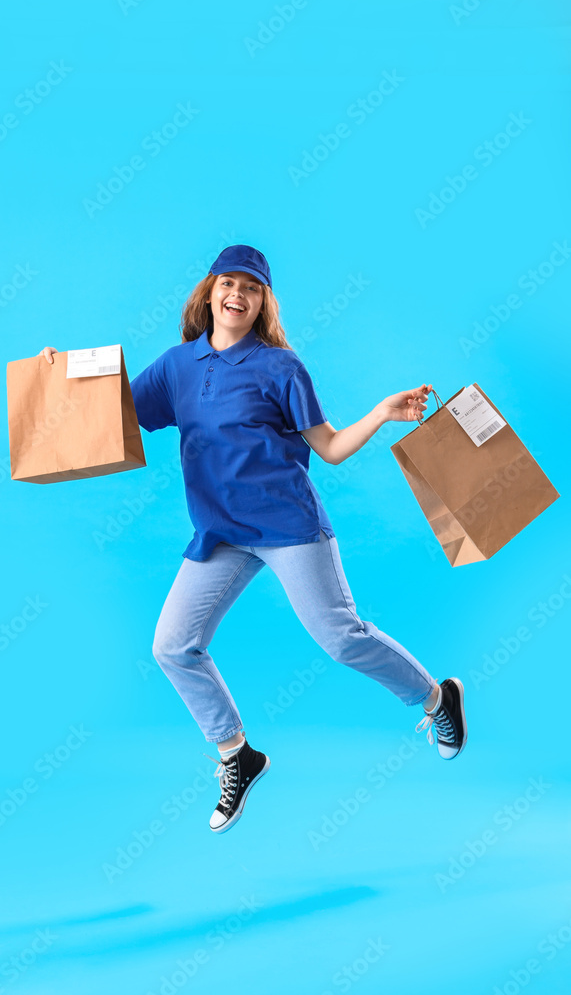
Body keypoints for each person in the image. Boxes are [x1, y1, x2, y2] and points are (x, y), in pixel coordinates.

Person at [39, 243, 467, 835]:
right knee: (172, 646)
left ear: (263, 300)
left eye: (251, 286)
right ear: (209, 291)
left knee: (341, 638)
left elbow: (332, 449)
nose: (236, 294)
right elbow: (112, 418)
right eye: (227, 283)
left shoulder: (280, 367)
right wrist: (60, 376)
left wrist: (382, 412)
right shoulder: (175, 367)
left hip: (287, 525)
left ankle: (436, 698)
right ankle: (237, 754)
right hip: (220, 532)